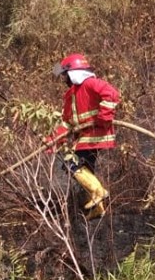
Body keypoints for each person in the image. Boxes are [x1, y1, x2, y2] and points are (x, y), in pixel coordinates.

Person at [45, 53, 120, 219]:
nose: (64, 78)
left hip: (94, 135)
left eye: (65, 74)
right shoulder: (71, 94)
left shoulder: (91, 83)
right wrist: (53, 140)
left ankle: (98, 191)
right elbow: (66, 123)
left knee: (71, 164)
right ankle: (98, 208)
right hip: (86, 137)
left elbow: (112, 94)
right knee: (86, 168)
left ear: (74, 73)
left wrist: (104, 116)